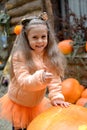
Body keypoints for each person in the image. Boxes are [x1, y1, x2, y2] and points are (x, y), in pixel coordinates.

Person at [0, 12, 70, 130]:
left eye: (43, 37)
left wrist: (56, 96)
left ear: (48, 36)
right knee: (19, 127)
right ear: (26, 39)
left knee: (34, 126)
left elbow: (54, 80)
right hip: (19, 101)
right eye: (35, 37)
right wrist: (40, 77)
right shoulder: (20, 56)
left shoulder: (50, 56)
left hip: (36, 102)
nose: (40, 41)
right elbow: (24, 81)